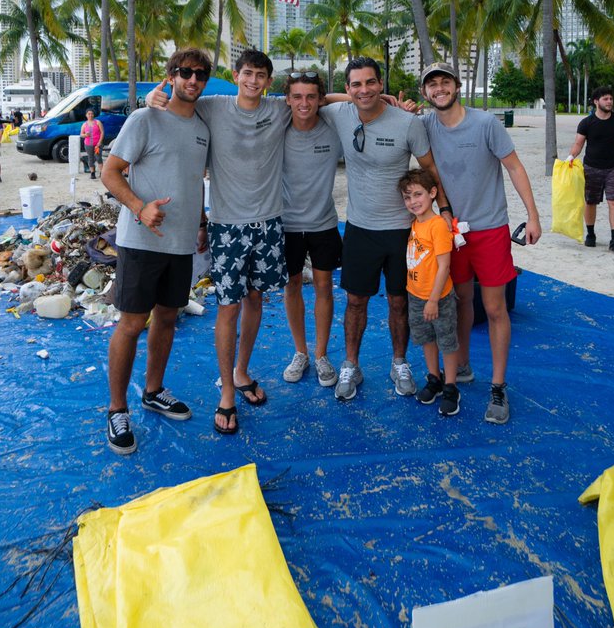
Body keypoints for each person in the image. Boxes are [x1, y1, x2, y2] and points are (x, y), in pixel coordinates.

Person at [148, 48, 292, 435]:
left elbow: (320, 99)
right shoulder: (213, 106)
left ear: (269, 80)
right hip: (227, 226)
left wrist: (379, 98)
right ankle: (227, 391)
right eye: (247, 73)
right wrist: (151, 97)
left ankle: (242, 371)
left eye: (261, 75)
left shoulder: (279, 109)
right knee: (227, 309)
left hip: (269, 223)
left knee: (256, 300)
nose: (253, 81)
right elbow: (175, 99)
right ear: (235, 74)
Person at [101, 48, 211, 455]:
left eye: (200, 74)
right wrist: (139, 207)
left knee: (167, 317)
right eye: (185, 73)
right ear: (172, 75)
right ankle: (116, 409)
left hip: (180, 243)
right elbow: (109, 172)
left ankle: (153, 391)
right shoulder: (144, 119)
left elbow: (195, 179)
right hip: (141, 242)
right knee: (131, 324)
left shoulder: (202, 126)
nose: (193, 80)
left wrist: (200, 222)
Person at [418, 63, 541, 425]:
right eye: (432, 85)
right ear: (425, 92)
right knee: (457, 301)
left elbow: (515, 167)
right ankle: (463, 366)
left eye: (445, 82)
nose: (439, 89)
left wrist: (532, 216)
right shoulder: (424, 126)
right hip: (449, 231)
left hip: (489, 228)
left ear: (457, 86)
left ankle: (499, 387)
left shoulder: (486, 123)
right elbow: (372, 102)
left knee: (495, 307)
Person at [321, 56, 449, 404]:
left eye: (371, 83)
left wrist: (445, 210)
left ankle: (399, 362)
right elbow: (316, 98)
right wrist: (350, 99)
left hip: (402, 232)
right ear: (348, 89)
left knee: (398, 302)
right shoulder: (340, 114)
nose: (364, 90)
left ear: (382, 85)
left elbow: (431, 170)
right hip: (360, 229)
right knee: (355, 301)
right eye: (356, 85)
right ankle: (351, 364)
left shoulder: (408, 123)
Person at [281, 70, 343, 389]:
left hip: (323, 223)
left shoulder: (333, 128)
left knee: (323, 287)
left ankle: (320, 355)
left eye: (311, 96)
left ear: (321, 99)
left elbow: (357, 102)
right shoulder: (277, 127)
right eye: (297, 96)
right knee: (291, 287)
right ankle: (300, 352)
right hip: (287, 225)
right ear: (287, 99)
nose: (304, 103)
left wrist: (327, 99)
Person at [399, 167, 460, 417]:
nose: (413, 201)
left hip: (439, 298)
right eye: (407, 197)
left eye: (418, 194)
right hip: (415, 295)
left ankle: (451, 387)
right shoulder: (415, 224)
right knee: (426, 338)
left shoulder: (437, 226)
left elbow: (444, 265)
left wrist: (434, 299)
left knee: (446, 341)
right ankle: (434, 378)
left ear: (432, 193)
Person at [567, 85, 614, 254]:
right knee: (591, 202)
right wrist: (571, 157)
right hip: (591, 168)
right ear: (596, 102)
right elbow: (578, 143)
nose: (609, 102)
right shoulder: (586, 123)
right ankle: (591, 235)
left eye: (611, 99)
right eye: (605, 99)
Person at [80, 109, 105, 179]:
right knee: (90, 158)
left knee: (98, 157)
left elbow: (102, 132)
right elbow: (81, 134)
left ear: (93, 115)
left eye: (92, 114)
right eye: (89, 114)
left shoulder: (98, 122)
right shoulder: (84, 124)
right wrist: (85, 135)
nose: (90, 115)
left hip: (97, 144)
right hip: (88, 144)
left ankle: (102, 173)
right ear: (86, 115)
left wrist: (100, 142)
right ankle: (92, 173)